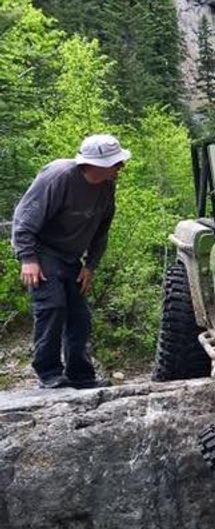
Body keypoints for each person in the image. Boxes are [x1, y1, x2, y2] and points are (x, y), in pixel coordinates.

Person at [11, 133, 129, 389]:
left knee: (79, 315)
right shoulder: (58, 177)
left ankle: (81, 375)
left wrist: (90, 265)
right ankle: (49, 373)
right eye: (115, 163)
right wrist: (27, 258)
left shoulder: (107, 186)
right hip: (42, 251)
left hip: (71, 257)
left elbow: (101, 230)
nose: (121, 167)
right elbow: (24, 219)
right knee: (52, 307)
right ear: (96, 164)